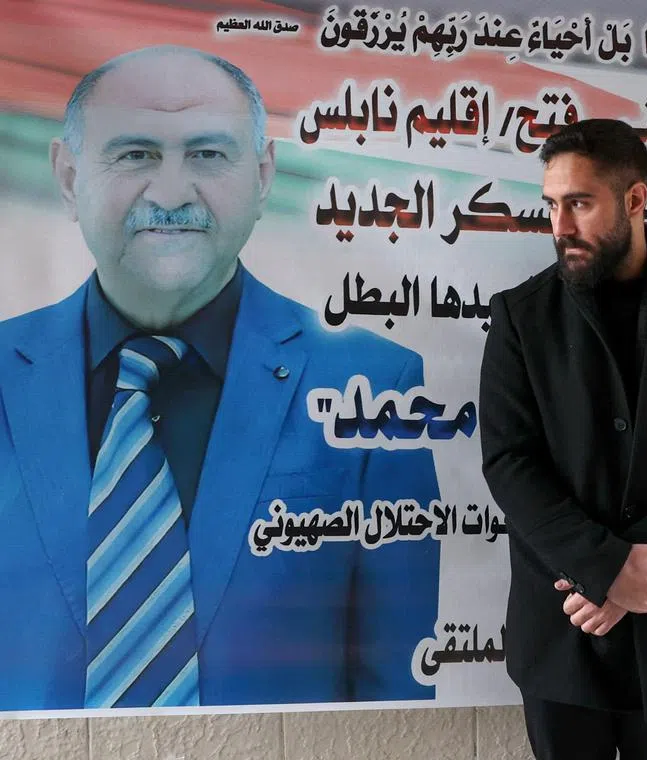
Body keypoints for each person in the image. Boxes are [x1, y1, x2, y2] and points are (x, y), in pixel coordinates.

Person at [0, 46, 440, 710]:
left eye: (208, 154)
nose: (172, 193)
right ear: (68, 176)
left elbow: (395, 698)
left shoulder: (374, 387)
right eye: (135, 154)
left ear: (263, 177)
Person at [478, 118, 647, 759]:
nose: (560, 225)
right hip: (565, 629)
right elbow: (509, 463)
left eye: (579, 202)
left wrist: (637, 577)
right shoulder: (522, 317)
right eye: (552, 204)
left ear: (634, 199)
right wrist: (603, 570)